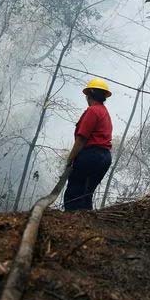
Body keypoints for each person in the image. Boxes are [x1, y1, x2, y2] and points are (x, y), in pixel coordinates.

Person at [64, 78, 113, 211]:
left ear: (89, 94)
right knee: (86, 194)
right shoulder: (104, 112)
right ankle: (86, 225)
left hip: (91, 155)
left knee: (74, 192)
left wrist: (70, 160)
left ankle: (70, 222)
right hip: (105, 157)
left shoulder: (92, 111)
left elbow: (81, 139)